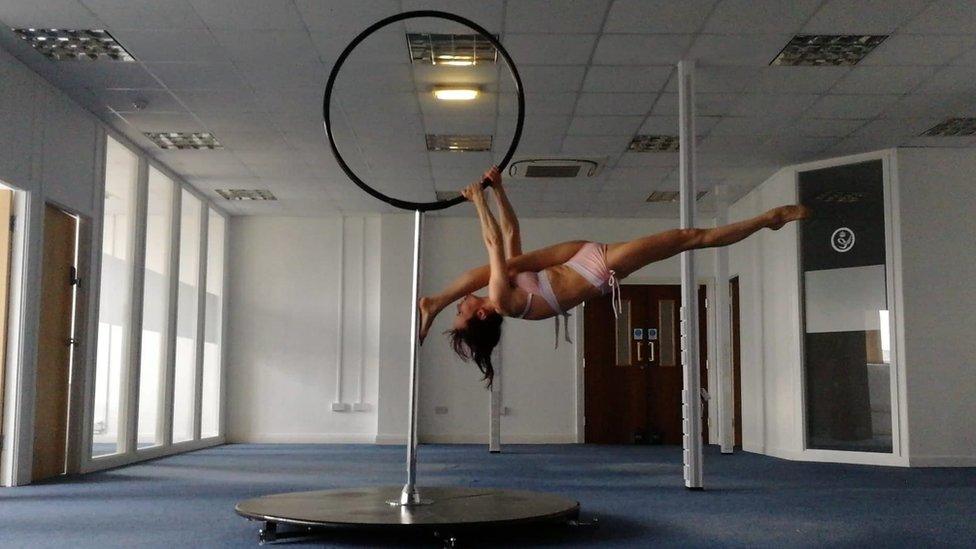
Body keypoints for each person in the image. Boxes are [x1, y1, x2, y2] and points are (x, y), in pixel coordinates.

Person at [418, 167, 810, 387]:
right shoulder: (502, 300)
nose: (463, 303)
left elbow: (508, 233)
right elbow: (491, 241)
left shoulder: (502, 292)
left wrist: (499, 190)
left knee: (509, 258)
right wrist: (479, 201)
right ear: (482, 316)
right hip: (599, 267)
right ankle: (767, 220)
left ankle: (431, 304)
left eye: (455, 306)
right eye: (460, 311)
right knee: (691, 238)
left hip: (576, 256)